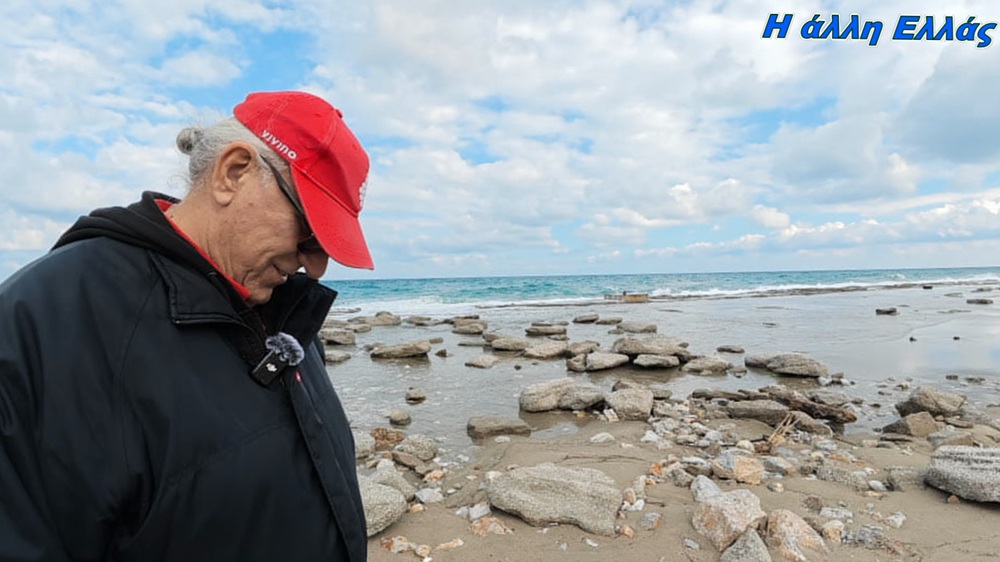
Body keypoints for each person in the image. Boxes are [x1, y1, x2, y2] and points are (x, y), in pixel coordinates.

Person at [0, 91, 372, 561]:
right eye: (311, 232)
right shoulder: (46, 322)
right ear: (233, 172)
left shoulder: (285, 311)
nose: (315, 266)